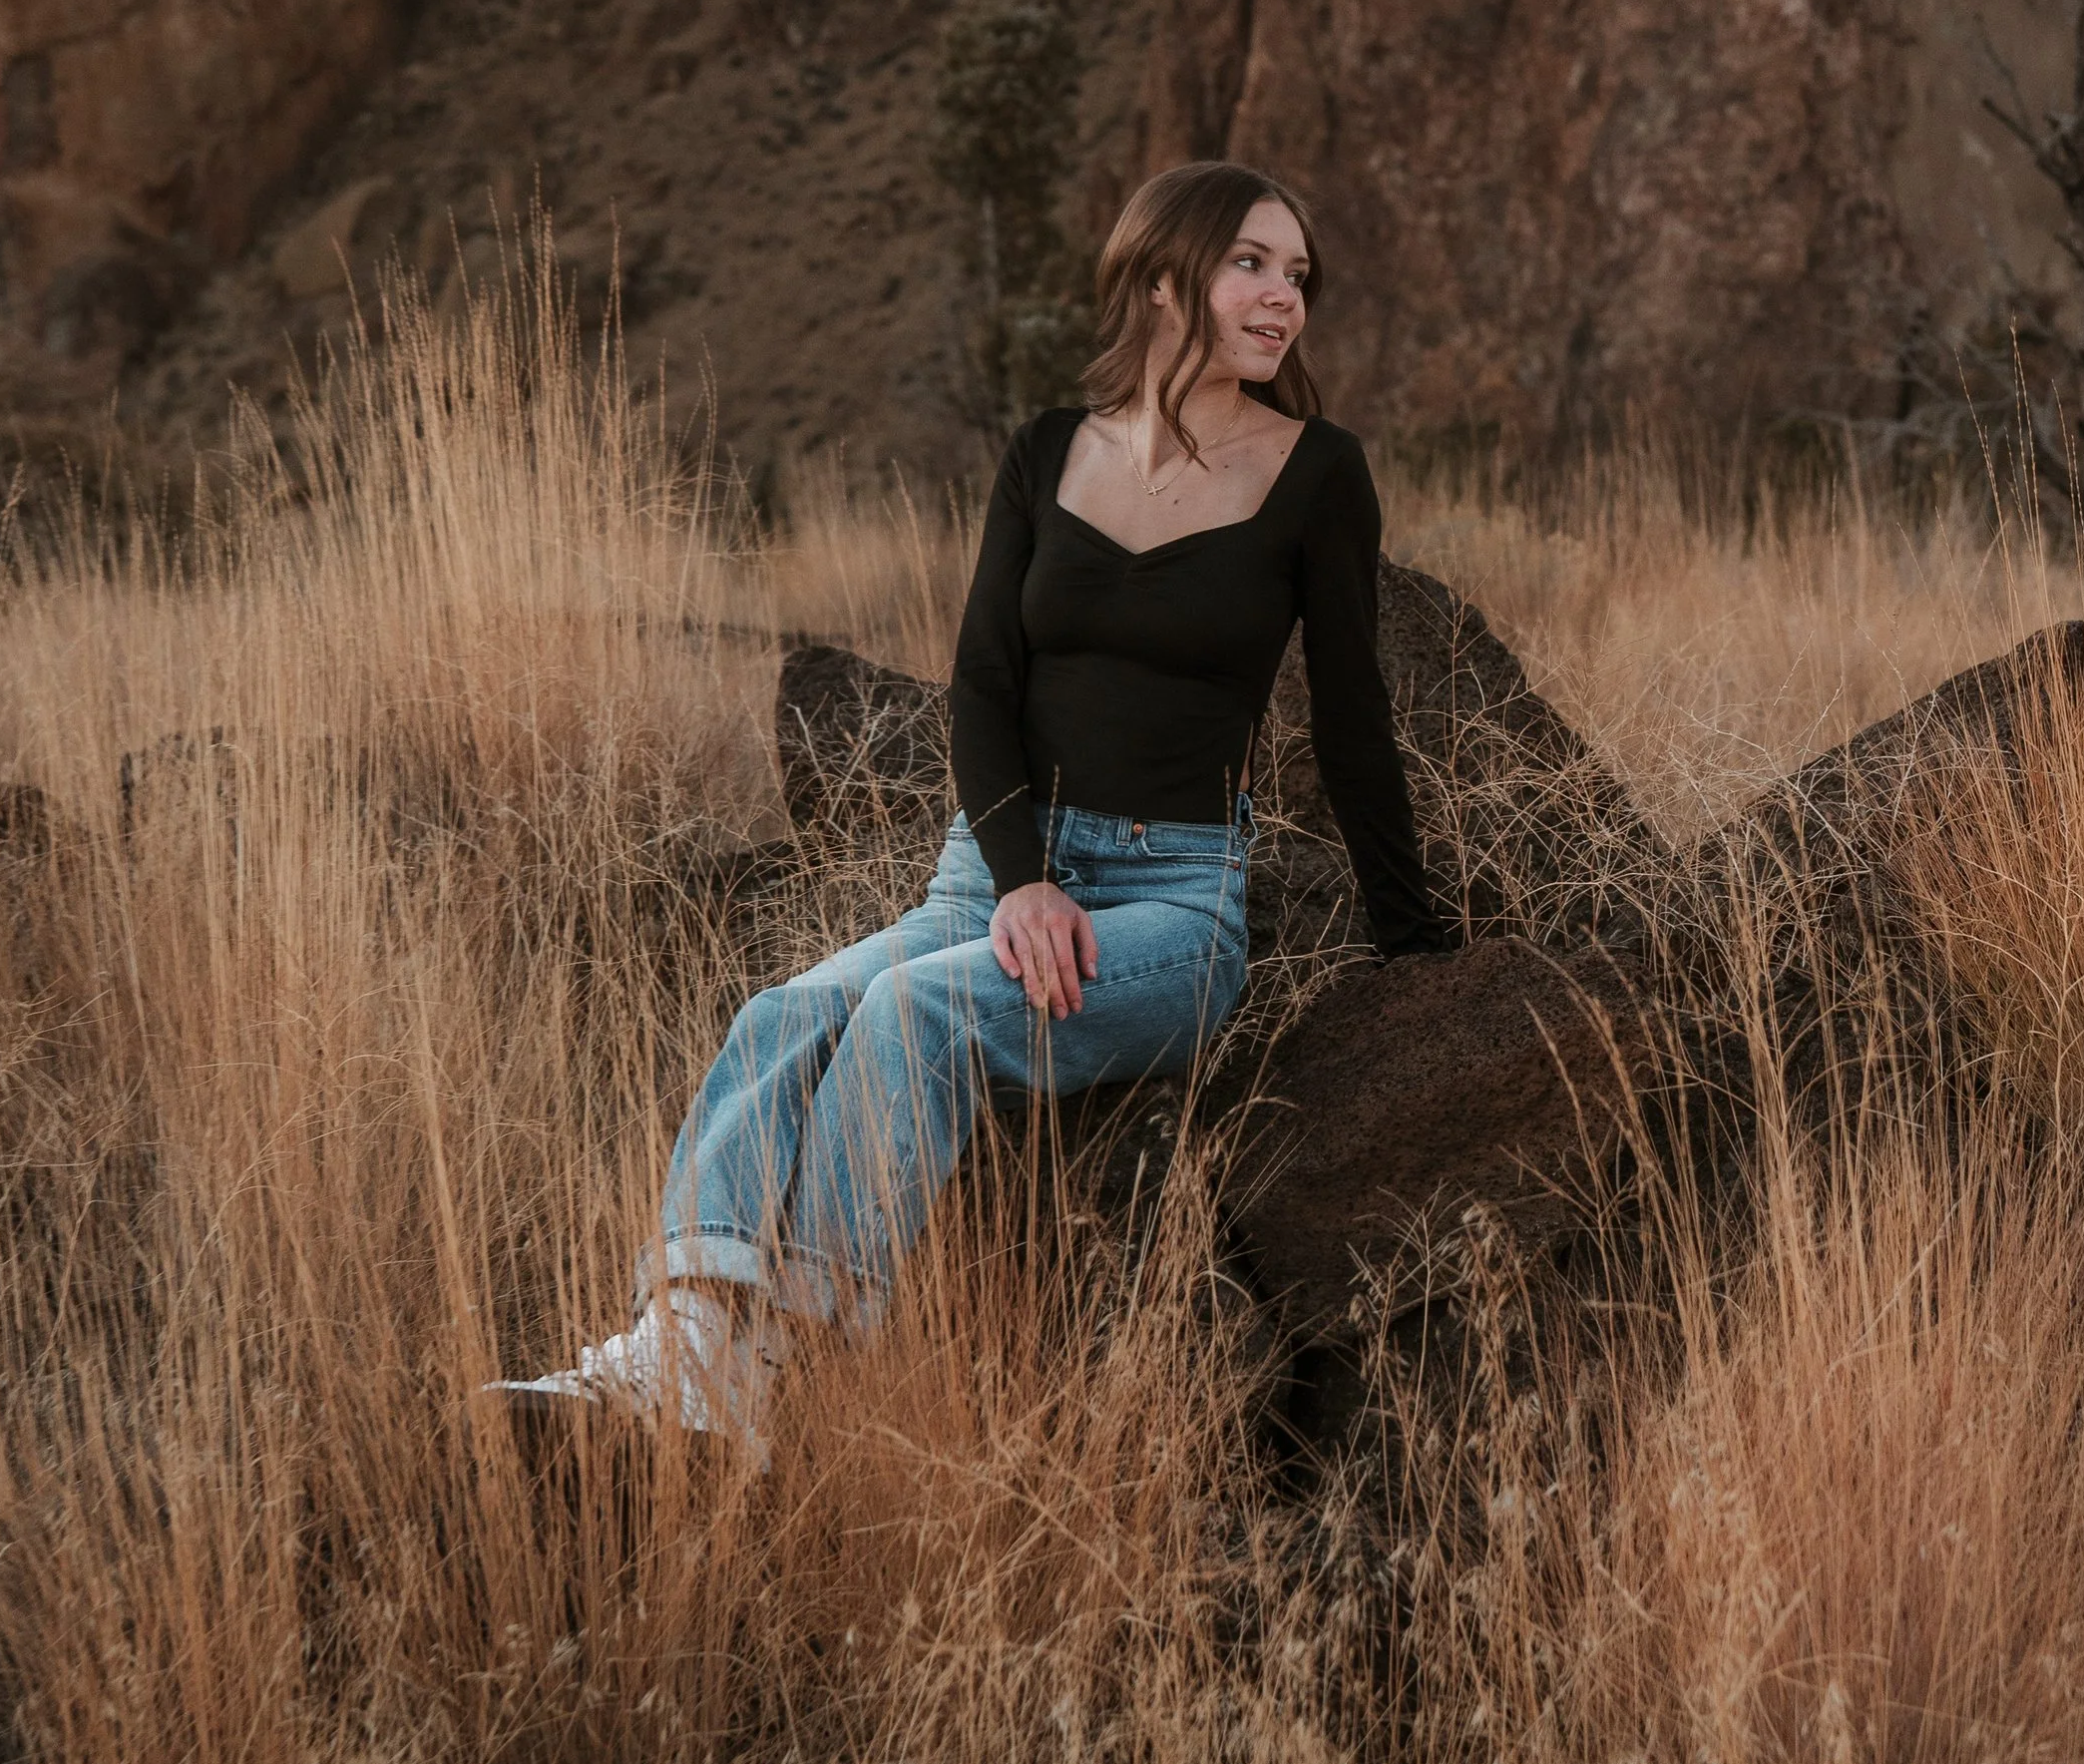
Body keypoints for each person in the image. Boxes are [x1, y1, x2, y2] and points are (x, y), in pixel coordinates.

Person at [498, 160, 1459, 1460]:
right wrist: (1017, 882)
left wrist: (1426, 958)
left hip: (1171, 902)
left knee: (916, 1013)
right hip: (989, 880)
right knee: (783, 1013)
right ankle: (682, 1339)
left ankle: (774, 1364)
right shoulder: (1048, 454)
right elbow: (983, 692)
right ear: (1167, 277)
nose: (1284, 297)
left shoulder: (1316, 473)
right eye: (1253, 264)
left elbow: (1353, 726)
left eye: (1299, 277)